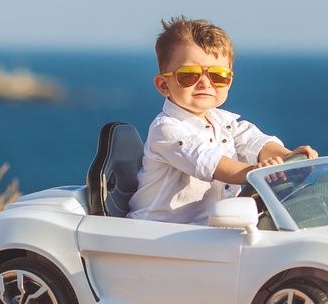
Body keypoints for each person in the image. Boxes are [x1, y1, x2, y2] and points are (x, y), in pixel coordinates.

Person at [127, 16, 317, 225]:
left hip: (209, 233)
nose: (205, 83)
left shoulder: (224, 122)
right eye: (189, 75)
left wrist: (288, 157)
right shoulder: (166, 129)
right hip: (155, 236)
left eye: (218, 76)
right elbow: (212, 163)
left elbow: (255, 141)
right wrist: (255, 172)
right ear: (163, 85)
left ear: (229, 81)